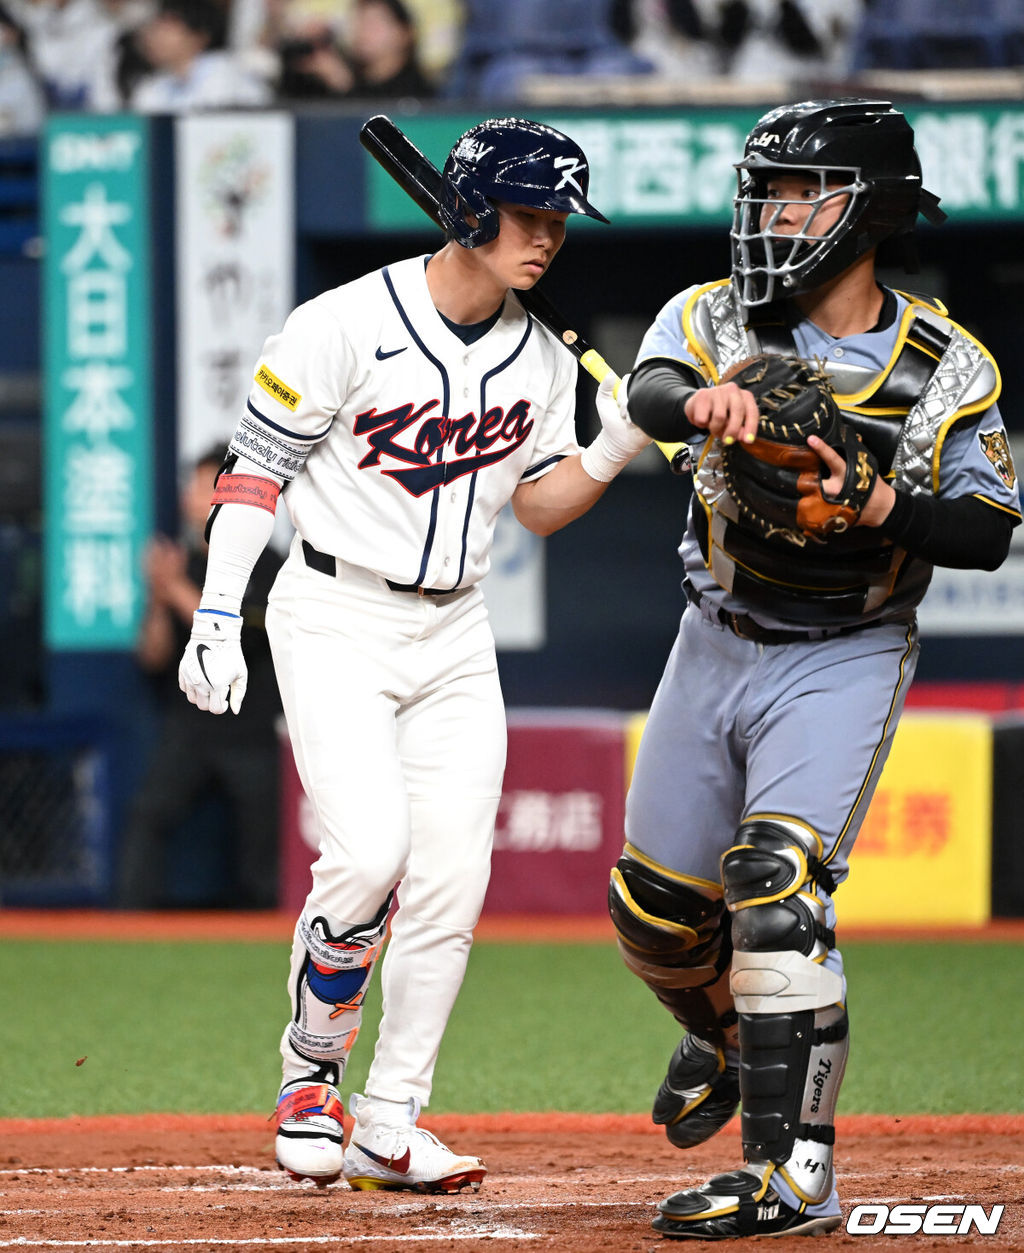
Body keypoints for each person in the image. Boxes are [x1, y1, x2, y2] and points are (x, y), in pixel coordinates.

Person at [177, 118, 651, 1193]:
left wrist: (612, 444)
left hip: (454, 631)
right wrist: (217, 613)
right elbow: (254, 475)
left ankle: (389, 1118)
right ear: (471, 212)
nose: (549, 238)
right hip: (335, 611)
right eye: (531, 215)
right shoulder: (342, 322)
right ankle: (310, 1073)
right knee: (369, 854)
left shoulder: (537, 355)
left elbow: (537, 507)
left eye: (561, 220)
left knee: (450, 882)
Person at [607, 98, 1021, 1240]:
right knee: (650, 916)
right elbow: (645, 391)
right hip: (712, 634)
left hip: (843, 648)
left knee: (775, 887)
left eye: (800, 191)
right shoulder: (714, 314)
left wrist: (878, 498)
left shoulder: (941, 361)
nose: (772, 213)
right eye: (768, 192)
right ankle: (736, 1036)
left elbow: (987, 528)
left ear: (871, 209)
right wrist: (705, 399)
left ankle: (794, 1174)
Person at [117, 445, 283, 910]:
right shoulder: (183, 565)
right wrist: (157, 596)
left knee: (261, 851)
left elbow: (242, 636)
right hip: (190, 725)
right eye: (194, 486)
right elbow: (153, 655)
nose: (196, 497)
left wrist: (171, 588)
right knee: (148, 816)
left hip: (250, 727)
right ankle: (125, 927)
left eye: (208, 487)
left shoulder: (268, 564)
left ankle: (265, 935)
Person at [129, 0, 271, 112]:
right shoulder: (150, 88)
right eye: (156, 28)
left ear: (199, 36)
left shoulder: (230, 76)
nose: (156, 36)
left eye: (168, 27)